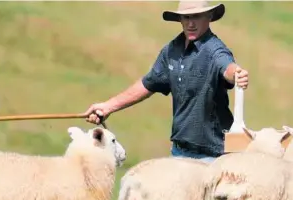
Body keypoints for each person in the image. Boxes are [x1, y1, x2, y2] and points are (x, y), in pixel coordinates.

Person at [84, 1, 249, 163]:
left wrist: (236, 73)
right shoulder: (171, 50)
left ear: (209, 16)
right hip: (179, 154)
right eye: (186, 17)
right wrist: (108, 106)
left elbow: (227, 67)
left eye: (196, 17)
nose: (191, 23)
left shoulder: (214, 49)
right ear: (180, 20)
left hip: (213, 158)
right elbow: (147, 84)